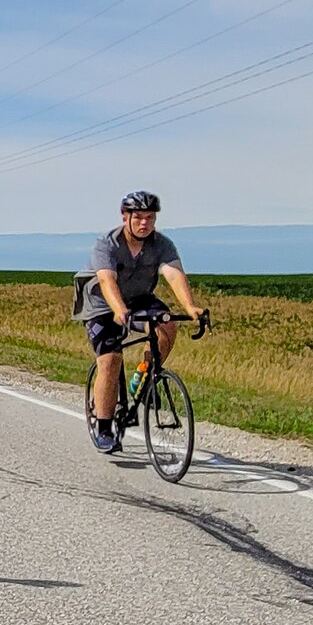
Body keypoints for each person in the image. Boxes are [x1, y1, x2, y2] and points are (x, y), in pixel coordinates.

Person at [75, 191, 203, 454]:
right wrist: (119, 310)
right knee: (110, 360)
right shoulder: (107, 244)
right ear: (125, 217)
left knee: (166, 326)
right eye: (138, 217)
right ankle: (104, 426)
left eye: (150, 217)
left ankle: (143, 378)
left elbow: (174, 274)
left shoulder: (162, 244)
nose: (144, 223)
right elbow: (107, 280)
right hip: (101, 304)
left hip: (140, 299)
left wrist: (190, 307)